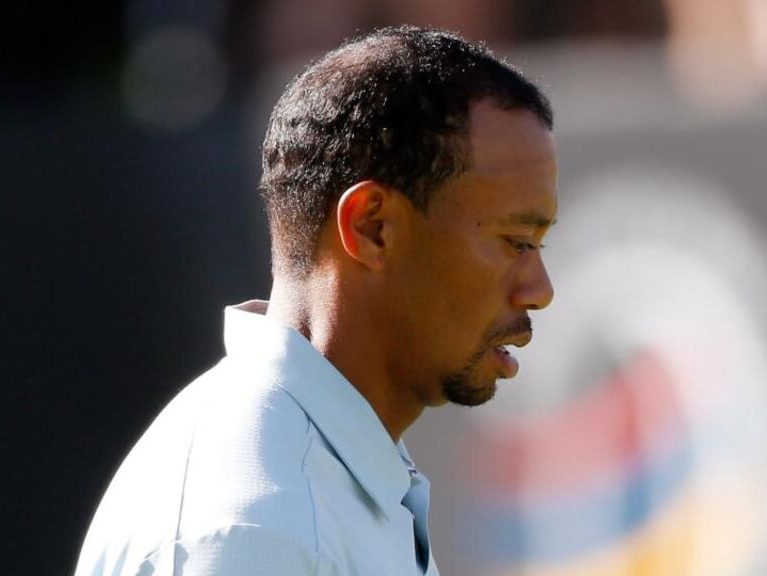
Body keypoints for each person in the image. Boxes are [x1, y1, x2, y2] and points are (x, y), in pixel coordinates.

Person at [75, 25, 557, 575]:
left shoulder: (309, 485)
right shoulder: (262, 529)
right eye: (515, 242)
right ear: (373, 228)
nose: (539, 290)